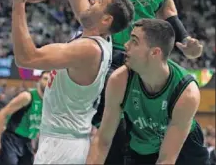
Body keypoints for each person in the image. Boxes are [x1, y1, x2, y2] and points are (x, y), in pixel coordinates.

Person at [57, 0, 203, 164]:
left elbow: (181, 33)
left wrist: (192, 47)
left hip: (132, 61)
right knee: (112, 132)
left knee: (144, 133)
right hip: (100, 50)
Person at [3, 0, 134, 164]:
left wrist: (19, 4)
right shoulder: (99, 36)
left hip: (62, 146)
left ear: (106, 19)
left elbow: (27, 58)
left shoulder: (88, 49)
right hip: (64, 140)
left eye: (99, 0)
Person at [86, 18, 209, 165]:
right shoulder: (119, 80)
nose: (126, 45)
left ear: (155, 53)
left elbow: (166, 159)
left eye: (134, 41)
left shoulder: (186, 93)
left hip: (184, 148)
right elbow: (102, 140)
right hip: (142, 146)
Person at [0, 71, 49, 165]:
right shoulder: (27, 96)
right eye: (45, 79)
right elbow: (3, 113)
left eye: (50, 80)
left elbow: (36, 126)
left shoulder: (48, 103)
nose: (47, 82)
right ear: (39, 80)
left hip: (27, 142)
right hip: (11, 139)